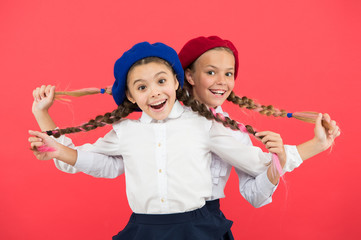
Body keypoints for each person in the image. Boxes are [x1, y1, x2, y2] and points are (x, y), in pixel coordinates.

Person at [29, 42, 304, 240]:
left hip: (198, 230)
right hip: (144, 230)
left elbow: (258, 164)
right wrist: (44, 119)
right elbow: (82, 159)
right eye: (141, 87)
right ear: (130, 96)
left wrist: (278, 158)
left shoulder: (203, 124)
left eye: (161, 81)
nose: (154, 93)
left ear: (176, 81)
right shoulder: (126, 132)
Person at [178, 35, 341, 239]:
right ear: (190, 76)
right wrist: (312, 147)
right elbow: (259, 163)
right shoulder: (171, 118)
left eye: (229, 74)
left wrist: (309, 148)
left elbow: (254, 194)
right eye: (211, 72)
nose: (222, 82)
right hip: (161, 221)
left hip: (206, 224)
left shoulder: (232, 129)